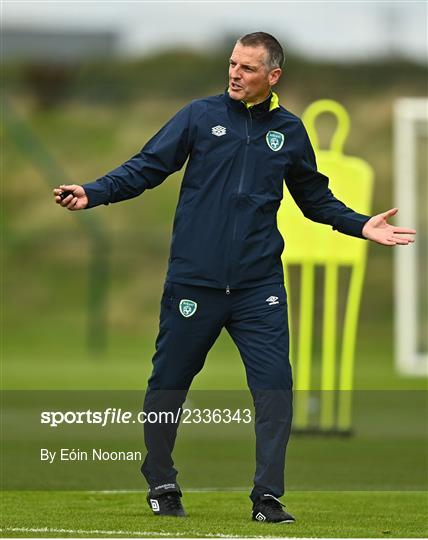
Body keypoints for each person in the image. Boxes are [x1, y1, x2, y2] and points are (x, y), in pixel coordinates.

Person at [53, 32, 416, 523]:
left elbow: (315, 200)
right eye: (232, 64)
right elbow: (146, 168)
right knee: (168, 385)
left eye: (247, 68)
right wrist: (93, 193)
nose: (234, 74)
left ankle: (267, 497)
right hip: (194, 284)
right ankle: (161, 481)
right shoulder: (199, 117)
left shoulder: (288, 132)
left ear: (273, 76)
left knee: (274, 389)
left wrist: (360, 224)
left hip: (257, 288)